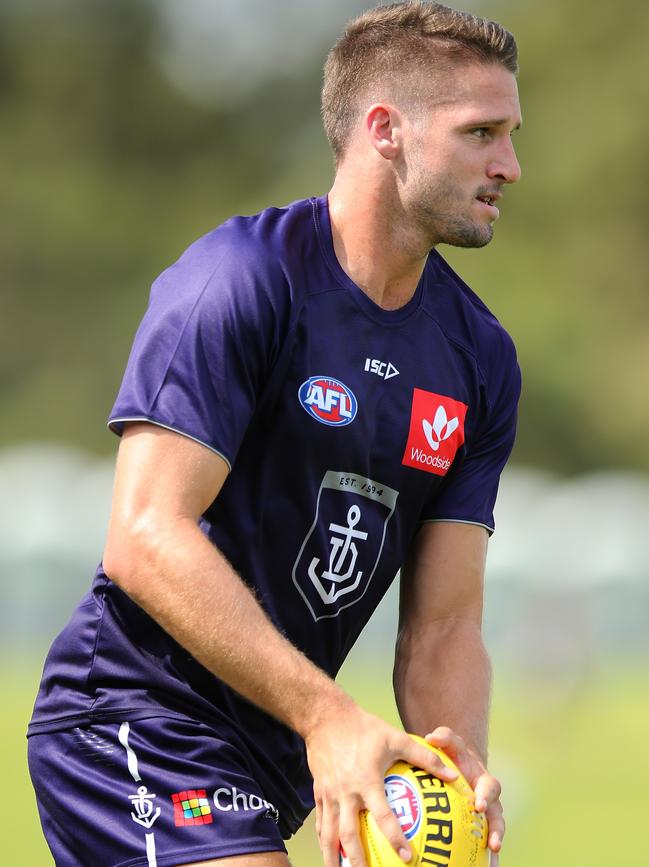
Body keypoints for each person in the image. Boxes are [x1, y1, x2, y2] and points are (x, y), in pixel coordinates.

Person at [27, 2, 523, 866]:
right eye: (481, 132)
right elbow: (144, 537)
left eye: (511, 134)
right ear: (387, 132)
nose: (510, 165)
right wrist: (329, 717)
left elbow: (443, 626)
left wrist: (452, 759)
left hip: (276, 751)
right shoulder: (241, 281)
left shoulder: (479, 357)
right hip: (131, 717)